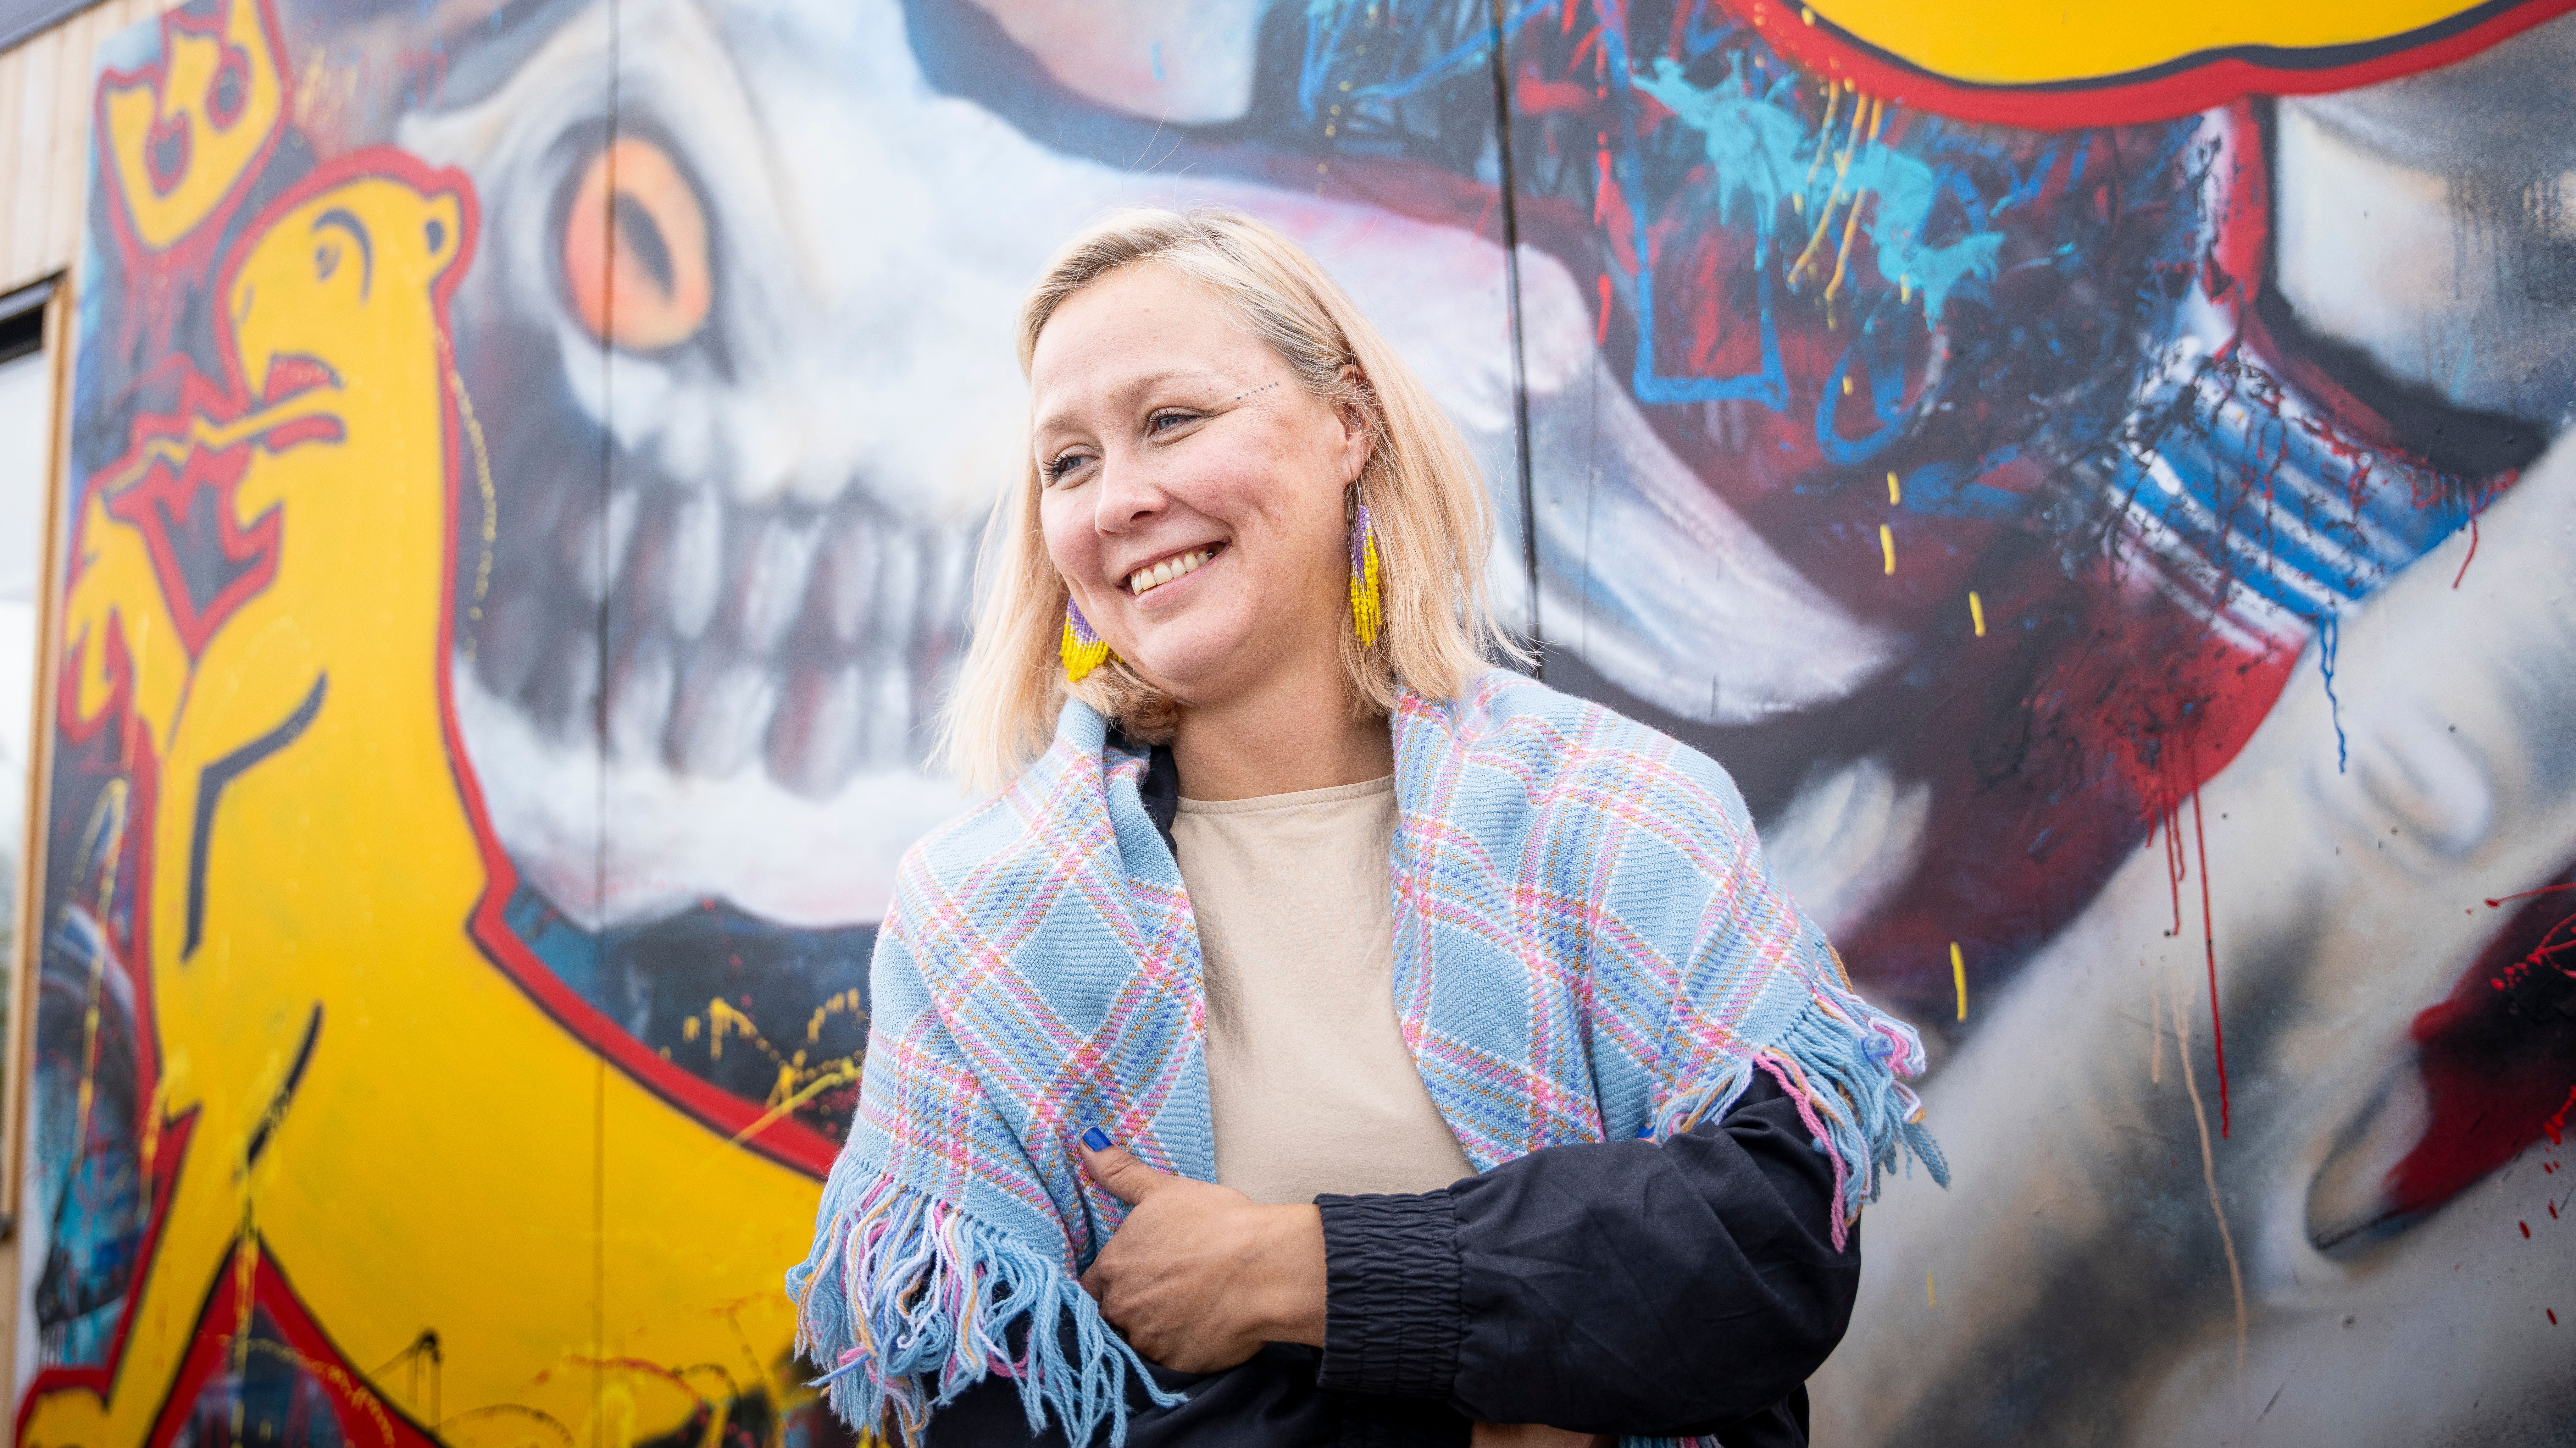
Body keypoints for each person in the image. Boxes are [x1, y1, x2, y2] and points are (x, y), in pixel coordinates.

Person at [785, 207, 1943, 1448]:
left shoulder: (1613, 810)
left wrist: (1301, 1276)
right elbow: (994, 1413)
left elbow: (1763, 1249)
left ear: (1348, 424)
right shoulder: (979, 922)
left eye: (1169, 420)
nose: (1117, 499)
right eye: (1066, 463)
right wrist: (1523, 1378)